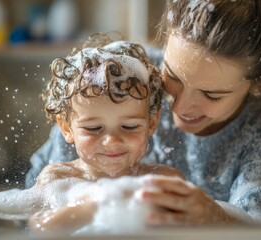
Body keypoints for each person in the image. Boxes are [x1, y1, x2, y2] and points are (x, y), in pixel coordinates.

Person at [26, 0, 261, 226]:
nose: (179, 108)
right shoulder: (126, 80)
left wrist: (216, 218)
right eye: (172, 76)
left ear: (259, 82)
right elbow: (37, 201)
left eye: (212, 94)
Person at [25, 32, 184, 232]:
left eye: (129, 126)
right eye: (93, 128)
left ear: (152, 123)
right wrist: (100, 203)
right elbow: (39, 227)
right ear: (66, 128)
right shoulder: (58, 178)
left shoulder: (163, 179)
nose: (111, 141)